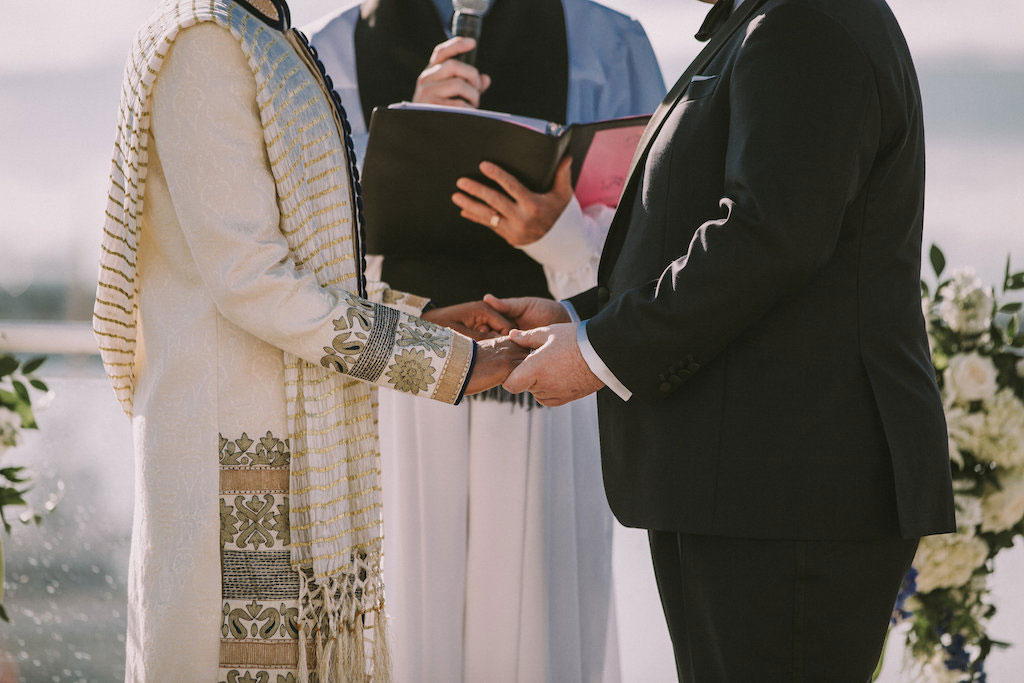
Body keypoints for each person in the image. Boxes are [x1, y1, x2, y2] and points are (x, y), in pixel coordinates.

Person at [488, 0, 958, 680]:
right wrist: (580, 318)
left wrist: (600, 355)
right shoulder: (776, 21)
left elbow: (767, 238)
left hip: (788, 497)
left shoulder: (807, 23)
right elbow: (711, 232)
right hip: (754, 486)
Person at [93, 0, 527, 680]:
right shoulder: (204, 43)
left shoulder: (274, 38)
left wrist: (428, 320)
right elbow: (252, 278)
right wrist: (444, 362)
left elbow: (317, 263)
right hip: (237, 456)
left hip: (289, 442)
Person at [306, 2, 664, 681]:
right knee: (407, 638)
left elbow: (660, 248)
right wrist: (402, 148)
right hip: (397, 408)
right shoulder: (332, 53)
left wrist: (559, 236)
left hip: (551, 391)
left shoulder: (611, 45)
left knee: (541, 639)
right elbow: (312, 258)